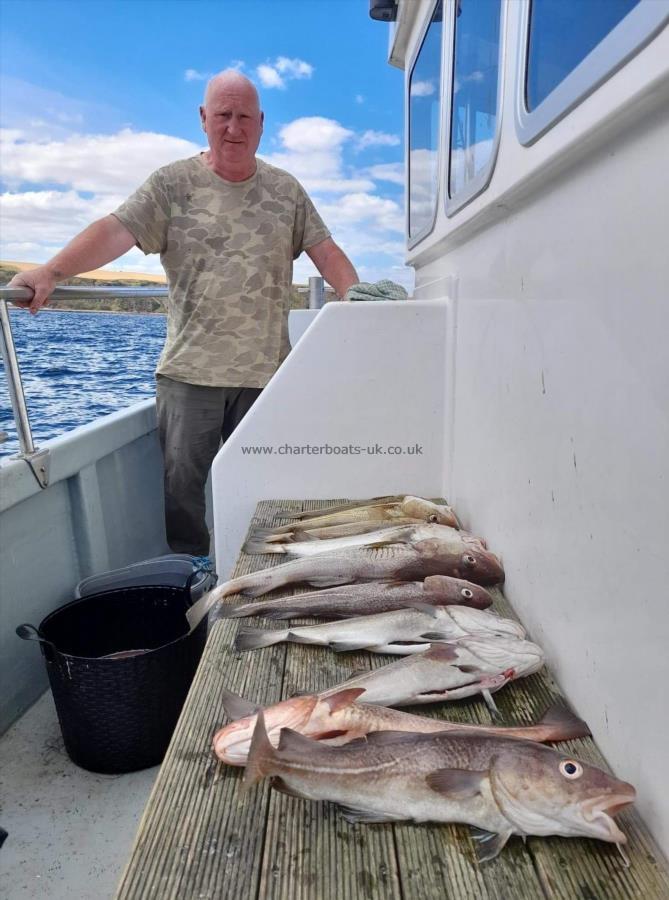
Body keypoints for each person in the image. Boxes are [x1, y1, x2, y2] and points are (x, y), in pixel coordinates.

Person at [9, 70, 360, 557]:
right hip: (189, 372)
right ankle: (192, 579)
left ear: (261, 124)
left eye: (243, 117)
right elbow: (116, 231)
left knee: (265, 484)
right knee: (183, 494)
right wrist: (51, 271)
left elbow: (327, 253)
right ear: (203, 118)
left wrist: (358, 304)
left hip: (265, 375)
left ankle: (259, 572)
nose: (233, 127)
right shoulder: (171, 185)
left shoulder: (287, 191)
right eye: (222, 115)